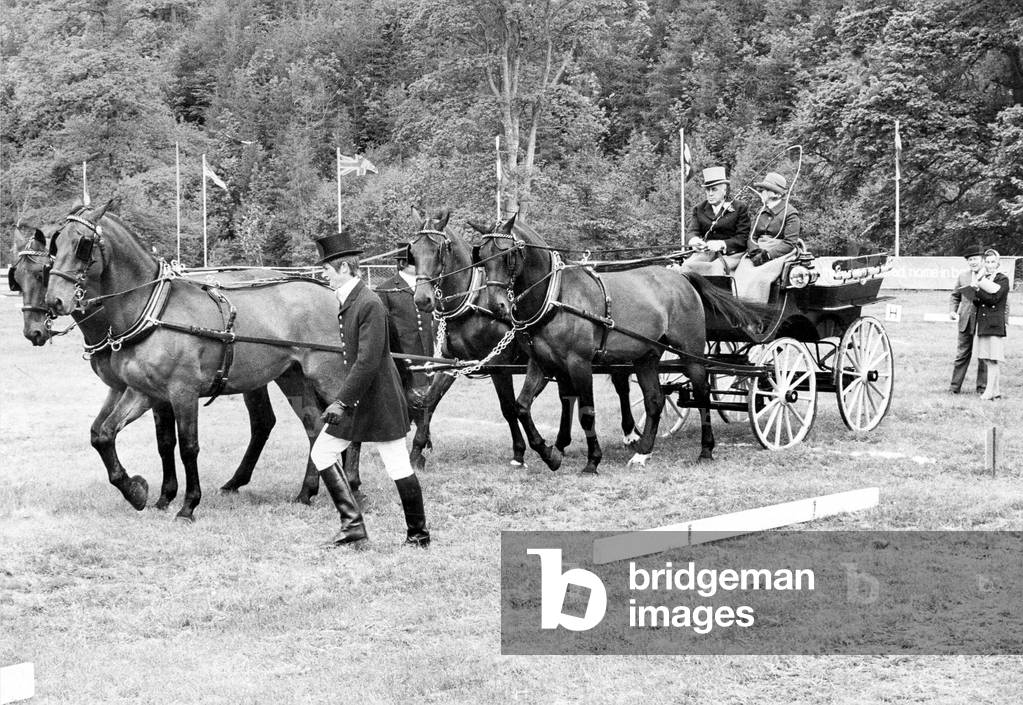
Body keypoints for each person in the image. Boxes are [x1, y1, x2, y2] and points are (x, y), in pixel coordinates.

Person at [309, 231, 431, 548]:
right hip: (362, 399)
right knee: (322, 453)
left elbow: (367, 361)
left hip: (378, 399)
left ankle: (418, 535)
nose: (323, 274)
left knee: (397, 465)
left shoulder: (369, 303)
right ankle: (353, 526)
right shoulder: (351, 299)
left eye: (327, 269)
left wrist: (340, 402)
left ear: (345, 269)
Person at [374, 244, 435, 420]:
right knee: (404, 396)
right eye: (415, 263)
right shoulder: (385, 288)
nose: (420, 267)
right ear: (402, 263)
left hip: (427, 352)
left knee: (426, 396)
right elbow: (383, 326)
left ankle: (425, 432)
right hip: (403, 353)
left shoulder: (427, 287)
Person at [683, 166, 750, 274]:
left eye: (714, 189)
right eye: (707, 190)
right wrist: (695, 241)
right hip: (707, 253)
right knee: (686, 267)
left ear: (724, 190)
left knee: (715, 269)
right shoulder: (699, 208)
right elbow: (692, 231)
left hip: (732, 254)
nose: (710, 193)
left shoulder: (739, 208)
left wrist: (722, 244)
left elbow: (742, 238)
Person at [948, 245, 988, 394]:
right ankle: (954, 388)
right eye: (970, 260)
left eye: (975, 259)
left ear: (982, 260)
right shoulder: (962, 276)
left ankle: (982, 388)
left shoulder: (989, 275)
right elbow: (955, 296)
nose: (973, 262)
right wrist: (952, 311)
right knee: (961, 355)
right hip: (965, 320)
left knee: (983, 356)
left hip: (984, 319)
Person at [973, 248, 1009, 401]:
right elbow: (979, 302)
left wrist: (979, 290)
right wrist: (974, 293)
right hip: (984, 322)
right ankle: (996, 391)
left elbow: (994, 299)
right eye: (987, 262)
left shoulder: (1002, 279)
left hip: (994, 323)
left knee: (993, 358)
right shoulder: (983, 277)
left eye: (993, 262)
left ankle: (989, 391)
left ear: (998, 263)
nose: (989, 265)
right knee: (987, 358)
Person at [747, 171, 800, 266]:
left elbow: (790, 243)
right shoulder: (760, 211)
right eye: (761, 190)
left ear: (777, 194)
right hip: (757, 254)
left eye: (766, 190)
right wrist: (755, 252)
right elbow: (752, 236)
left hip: (780, 257)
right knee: (743, 271)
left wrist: (767, 255)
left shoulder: (790, 214)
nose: (761, 192)